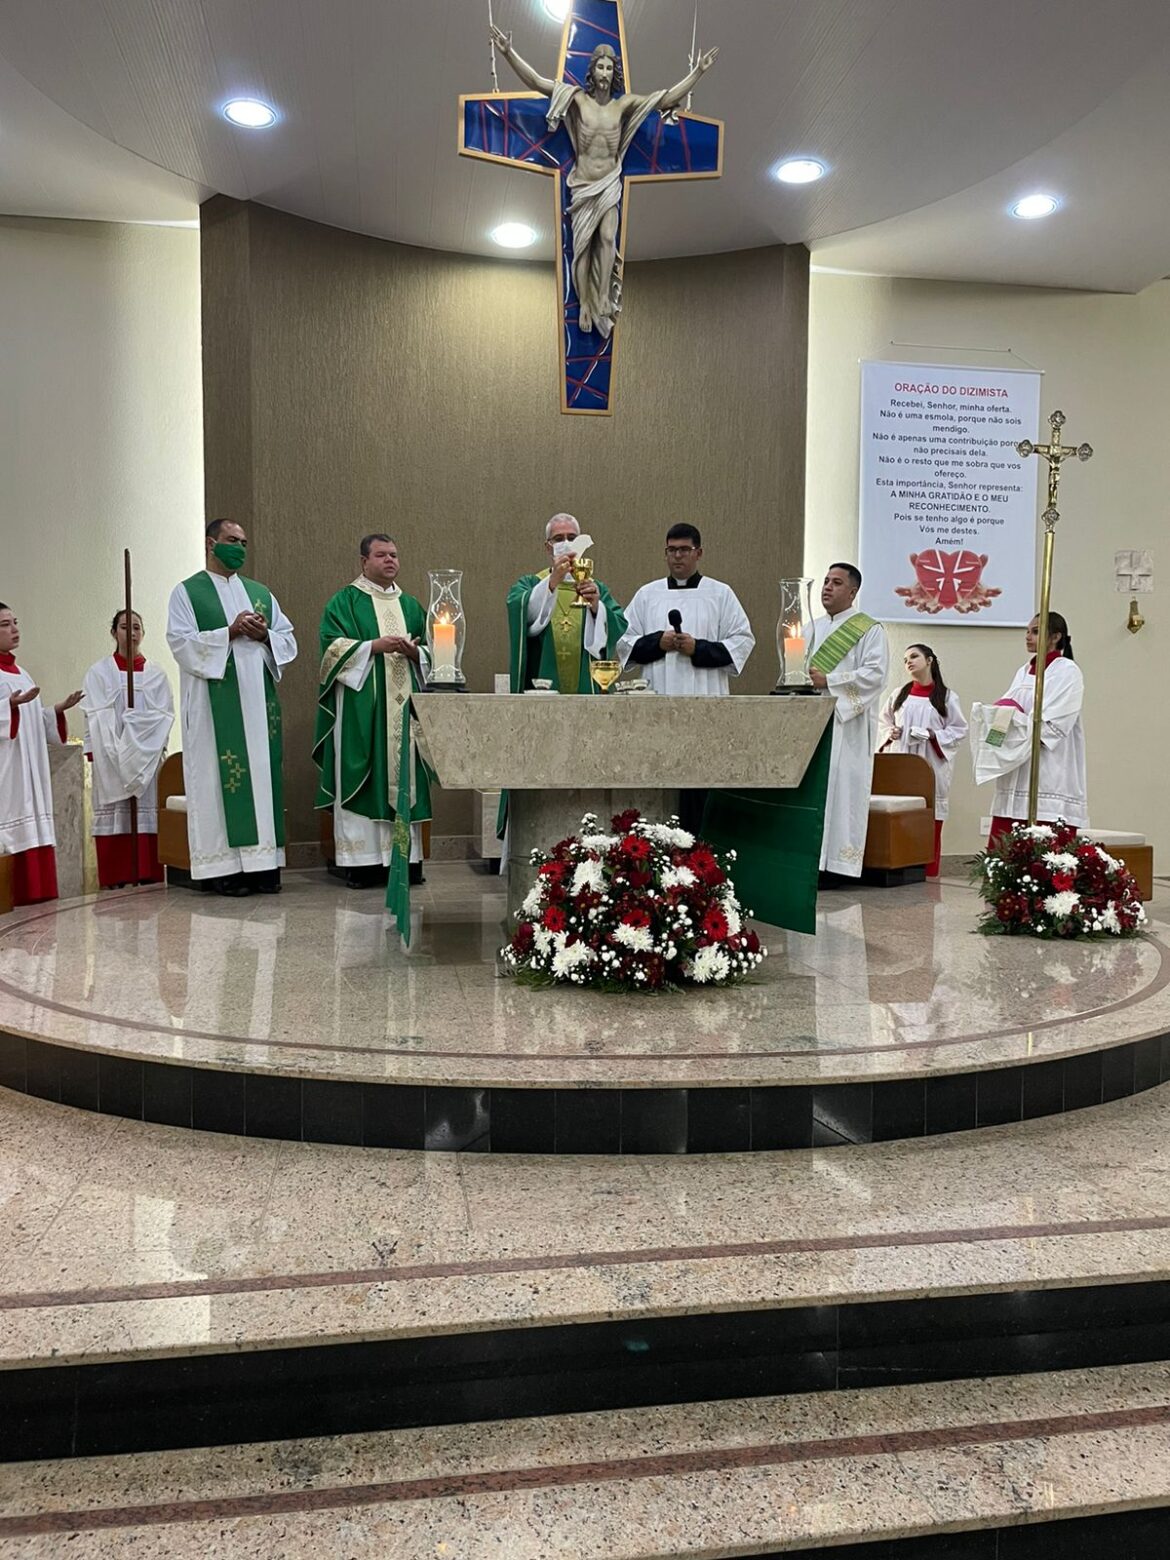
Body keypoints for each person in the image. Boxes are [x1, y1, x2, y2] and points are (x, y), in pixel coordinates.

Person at [489, 30, 718, 339]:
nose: (605, 74)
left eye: (610, 68)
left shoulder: (623, 107)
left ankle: (600, 299)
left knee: (608, 237)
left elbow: (665, 99)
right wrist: (507, 53)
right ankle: (584, 302)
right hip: (583, 184)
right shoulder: (576, 100)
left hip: (609, 183)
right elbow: (536, 82)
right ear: (592, 70)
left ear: (614, 73)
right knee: (581, 248)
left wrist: (698, 73)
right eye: (601, 67)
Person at [166, 519, 297, 896]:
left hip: (258, 708)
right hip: (214, 709)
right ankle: (221, 870)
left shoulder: (260, 593)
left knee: (259, 779)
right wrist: (230, 631)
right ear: (211, 543)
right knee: (215, 780)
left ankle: (262, 867)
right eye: (231, 540)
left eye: (243, 542)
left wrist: (265, 635)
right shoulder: (187, 592)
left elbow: (288, 641)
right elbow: (180, 642)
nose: (239, 547)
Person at [313, 535, 431, 889]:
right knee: (362, 774)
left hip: (404, 711)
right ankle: (361, 862)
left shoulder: (410, 605)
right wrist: (372, 647)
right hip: (362, 713)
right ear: (364, 561)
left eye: (394, 555)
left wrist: (416, 654)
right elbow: (330, 650)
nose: (389, 560)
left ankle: (405, 861)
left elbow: (434, 652)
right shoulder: (345, 601)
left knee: (405, 776)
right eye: (381, 555)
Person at [971, 611, 1086, 846]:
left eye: (1035, 631)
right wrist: (995, 718)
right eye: (1027, 631)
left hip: (1048, 764)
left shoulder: (1067, 671)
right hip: (1017, 764)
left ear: (1055, 636)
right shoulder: (1023, 671)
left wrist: (1014, 717)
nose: (1027, 636)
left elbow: (1053, 722)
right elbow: (1007, 709)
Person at [806, 563, 889, 881]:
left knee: (840, 794)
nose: (827, 587)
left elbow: (875, 675)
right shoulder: (810, 628)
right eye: (826, 581)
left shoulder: (869, 630)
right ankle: (811, 863)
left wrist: (830, 680)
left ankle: (837, 867)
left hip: (846, 726)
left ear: (853, 592)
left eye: (836, 583)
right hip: (812, 723)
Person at [82, 610, 175, 888]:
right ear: (114, 633)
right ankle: (116, 875)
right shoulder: (99, 672)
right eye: (124, 627)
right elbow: (93, 714)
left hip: (145, 759)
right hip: (111, 755)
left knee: (145, 811)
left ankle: (147, 872)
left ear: (143, 634)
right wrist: (105, 747)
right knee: (116, 811)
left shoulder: (156, 674)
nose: (131, 633)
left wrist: (138, 736)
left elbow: (164, 715)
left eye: (136, 627)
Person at [0, 603, 82, 905]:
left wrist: (55, 712)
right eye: (5, 624)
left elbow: (33, 722)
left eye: (15, 622)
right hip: (8, 769)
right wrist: (8, 707)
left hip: (30, 767)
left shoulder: (23, 673)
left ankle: (41, 894)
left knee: (35, 820)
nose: (14, 629)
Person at [506, 513, 627, 694]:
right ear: (548, 547)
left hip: (586, 687)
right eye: (558, 538)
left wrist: (596, 608)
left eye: (572, 538)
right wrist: (551, 583)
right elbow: (519, 610)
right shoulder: (531, 584)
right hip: (542, 688)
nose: (567, 543)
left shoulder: (595, 588)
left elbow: (619, 625)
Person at [877, 644, 968, 877]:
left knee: (928, 817)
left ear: (929, 660)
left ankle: (928, 871)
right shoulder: (899, 694)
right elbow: (882, 722)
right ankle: (899, 869)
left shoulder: (946, 697)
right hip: (901, 762)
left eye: (914, 656)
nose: (908, 662)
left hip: (930, 764)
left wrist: (933, 734)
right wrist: (890, 733)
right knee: (900, 817)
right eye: (905, 659)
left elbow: (959, 729)